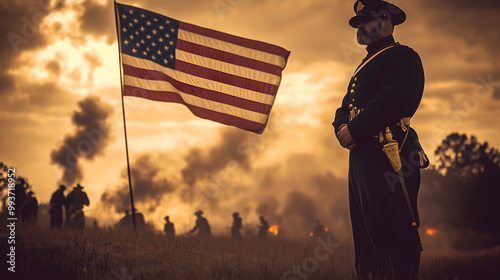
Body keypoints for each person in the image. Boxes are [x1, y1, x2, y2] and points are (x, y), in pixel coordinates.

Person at [332, 1, 424, 279]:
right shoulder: (366, 63)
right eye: (358, 22)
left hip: (389, 152)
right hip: (363, 154)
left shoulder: (402, 56)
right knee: (366, 230)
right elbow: (346, 106)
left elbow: (393, 100)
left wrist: (355, 129)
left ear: (386, 22)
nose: (360, 26)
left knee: (392, 226)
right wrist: (341, 128)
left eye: (366, 20)